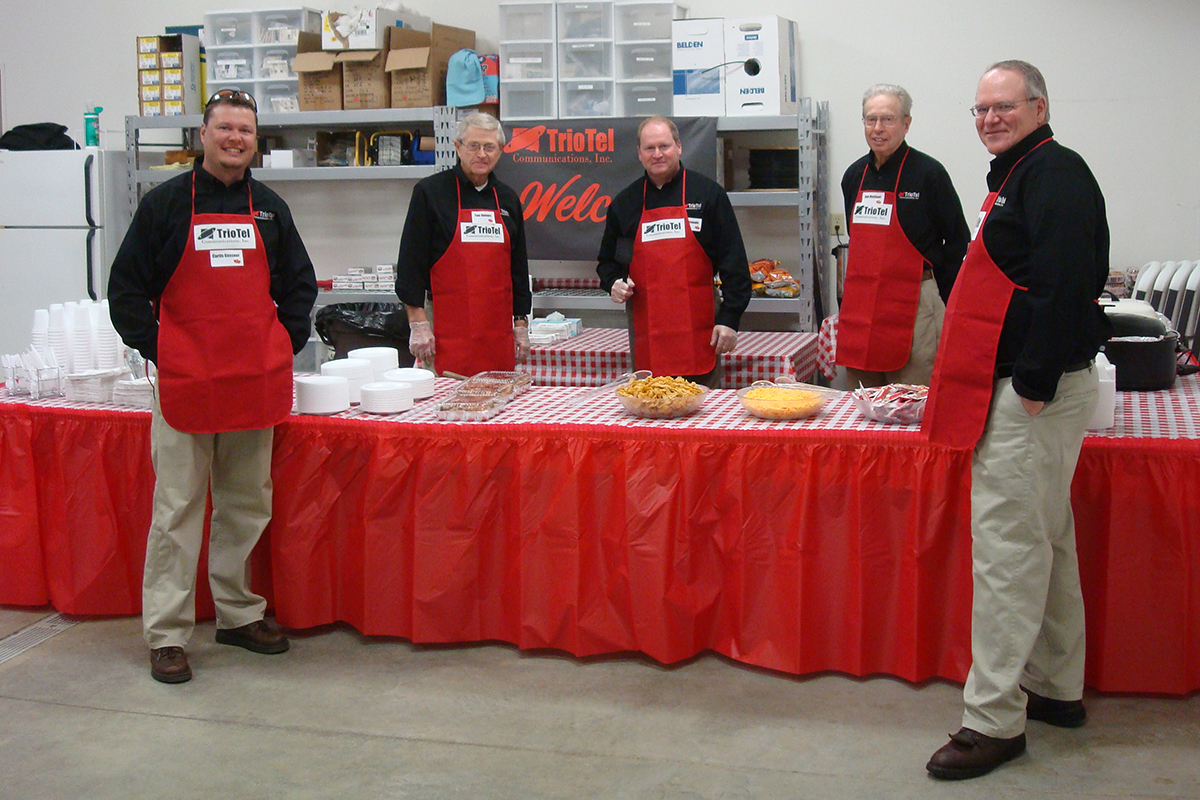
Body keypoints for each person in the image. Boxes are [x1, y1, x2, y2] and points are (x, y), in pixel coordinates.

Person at [922, 61, 1110, 779]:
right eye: (980, 109)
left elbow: (1070, 282)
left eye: (1004, 106)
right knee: (1046, 538)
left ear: (1039, 106)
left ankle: (994, 720)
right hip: (1024, 388)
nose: (990, 118)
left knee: (1006, 554)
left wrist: (1032, 379)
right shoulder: (1019, 173)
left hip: (1033, 391)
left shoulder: (1054, 174)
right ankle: (1057, 689)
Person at [108, 89, 318, 684]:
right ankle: (168, 633)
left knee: (246, 504)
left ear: (256, 140)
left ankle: (237, 613)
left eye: (245, 130)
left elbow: (299, 287)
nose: (235, 139)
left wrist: (284, 342)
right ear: (202, 135)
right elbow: (124, 288)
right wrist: (161, 348)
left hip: (253, 382)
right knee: (177, 509)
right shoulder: (166, 206)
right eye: (224, 128)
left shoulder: (270, 209)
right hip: (186, 383)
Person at [596, 116, 752, 388]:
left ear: (679, 147)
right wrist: (614, 283)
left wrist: (730, 318)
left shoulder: (708, 195)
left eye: (664, 146)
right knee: (652, 412)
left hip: (701, 332)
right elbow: (610, 263)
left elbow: (734, 263)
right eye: (649, 148)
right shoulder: (625, 204)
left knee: (701, 416)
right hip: (648, 334)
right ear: (639, 154)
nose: (657, 154)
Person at [836, 84, 970, 388]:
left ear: (906, 123)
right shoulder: (853, 176)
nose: (878, 128)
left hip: (915, 304)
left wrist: (943, 298)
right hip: (863, 304)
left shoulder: (929, 173)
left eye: (888, 119)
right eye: (871, 120)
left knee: (913, 399)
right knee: (861, 399)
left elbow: (958, 240)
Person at [395, 111, 532, 376]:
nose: (482, 154)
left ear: (500, 151)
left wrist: (520, 322)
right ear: (458, 147)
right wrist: (417, 322)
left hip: (496, 332)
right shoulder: (430, 192)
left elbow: (518, 266)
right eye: (474, 146)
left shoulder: (507, 199)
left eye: (489, 147)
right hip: (446, 330)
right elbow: (411, 262)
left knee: (497, 399)